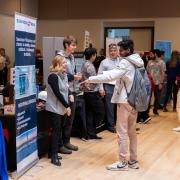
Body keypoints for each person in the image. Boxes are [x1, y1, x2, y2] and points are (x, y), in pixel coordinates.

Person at [81, 39, 144, 171]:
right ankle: (133, 161)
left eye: (121, 50)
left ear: (128, 50)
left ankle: (122, 162)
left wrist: (91, 79)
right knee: (132, 132)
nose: (119, 52)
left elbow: (111, 76)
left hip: (124, 100)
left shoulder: (126, 62)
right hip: (135, 101)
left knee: (122, 132)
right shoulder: (138, 61)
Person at [46, 55, 71, 166]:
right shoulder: (53, 76)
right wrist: (67, 106)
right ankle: (54, 156)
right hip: (54, 108)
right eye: (64, 62)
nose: (66, 64)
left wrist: (70, 95)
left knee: (58, 131)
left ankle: (52, 153)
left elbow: (65, 89)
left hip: (60, 108)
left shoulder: (63, 75)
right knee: (56, 132)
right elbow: (57, 93)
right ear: (58, 64)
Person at [57, 35, 81, 154]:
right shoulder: (60, 57)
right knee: (63, 118)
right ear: (66, 45)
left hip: (73, 90)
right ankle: (60, 144)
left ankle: (66, 141)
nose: (75, 47)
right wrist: (74, 77)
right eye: (73, 45)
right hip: (64, 92)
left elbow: (72, 72)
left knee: (70, 119)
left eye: (75, 45)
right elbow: (60, 74)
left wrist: (77, 76)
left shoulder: (72, 57)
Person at [81, 47, 104, 139]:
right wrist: (100, 89)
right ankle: (91, 132)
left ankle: (91, 133)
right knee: (101, 112)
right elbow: (94, 80)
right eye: (95, 54)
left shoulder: (84, 64)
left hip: (87, 92)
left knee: (90, 113)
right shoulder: (90, 66)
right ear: (93, 55)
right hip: (92, 93)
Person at [98, 44, 119, 133]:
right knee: (109, 108)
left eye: (114, 51)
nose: (112, 52)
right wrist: (101, 88)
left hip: (119, 87)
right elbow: (99, 75)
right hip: (108, 87)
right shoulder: (104, 62)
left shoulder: (121, 61)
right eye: (111, 51)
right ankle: (110, 125)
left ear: (117, 51)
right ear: (108, 52)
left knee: (119, 107)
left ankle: (119, 125)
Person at [146, 49, 165, 115]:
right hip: (150, 83)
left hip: (158, 83)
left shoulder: (162, 62)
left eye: (151, 54)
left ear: (155, 54)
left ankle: (155, 109)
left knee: (157, 98)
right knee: (148, 97)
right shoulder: (149, 62)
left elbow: (163, 73)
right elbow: (147, 72)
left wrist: (161, 83)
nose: (150, 56)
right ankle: (147, 111)